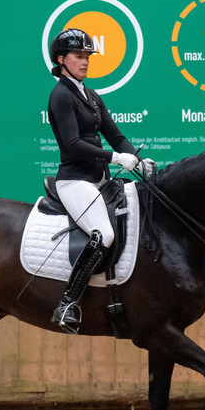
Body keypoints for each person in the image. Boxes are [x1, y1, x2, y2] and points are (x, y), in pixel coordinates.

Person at [46, 27, 154, 331]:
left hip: (99, 181)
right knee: (103, 234)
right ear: (62, 59)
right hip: (74, 181)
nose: (85, 62)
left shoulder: (92, 96)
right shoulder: (60, 96)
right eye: (78, 56)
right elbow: (72, 145)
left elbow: (116, 136)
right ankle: (68, 303)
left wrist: (138, 160)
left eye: (87, 56)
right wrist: (114, 158)